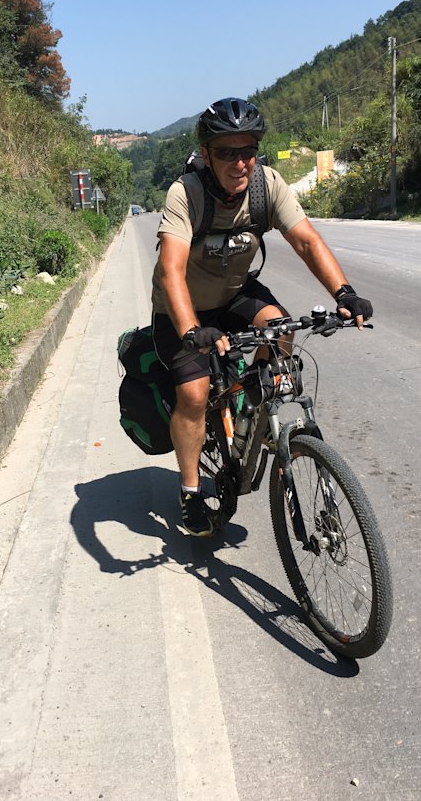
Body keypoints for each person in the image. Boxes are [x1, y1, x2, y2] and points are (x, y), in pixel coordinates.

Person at [151, 96, 372, 537]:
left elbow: (306, 241)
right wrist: (191, 330)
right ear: (208, 154)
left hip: (235, 294)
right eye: (228, 152)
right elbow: (170, 269)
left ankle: (250, 411)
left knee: (282, 333)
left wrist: (343, 293)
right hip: (184, 308)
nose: (239, 162)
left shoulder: (266, 185)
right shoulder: (186, 193)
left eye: (247, 150)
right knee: (194, 394)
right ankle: (191, 491)